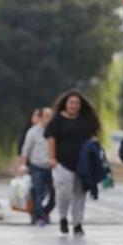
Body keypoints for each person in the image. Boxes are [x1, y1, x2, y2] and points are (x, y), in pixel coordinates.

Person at [44, 91, 101, 236]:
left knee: (80, 195)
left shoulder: (85, 120)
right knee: (64, 194)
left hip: (82, 165)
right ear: (66, 104)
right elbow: (51, 139)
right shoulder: (57, 120)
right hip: (62, 164)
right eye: (71, 102)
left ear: (80, 105)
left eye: (77, 103)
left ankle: (77, 224)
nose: (74, 105)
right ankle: (63, 217)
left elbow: (94, 137)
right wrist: (52, 159)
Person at [19, 107, 56, 226]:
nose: (49, 119)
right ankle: (40, 217)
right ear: (41, 117)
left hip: (52, 167)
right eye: (46, 116)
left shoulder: (56, 131)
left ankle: (44, 212)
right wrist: (23, 165)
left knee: (54, 194)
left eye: (51, 116)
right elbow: (26, 150)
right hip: (37, 167)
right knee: (38, 193)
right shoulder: (33, 132)